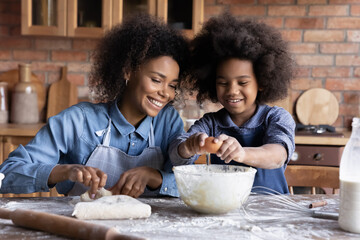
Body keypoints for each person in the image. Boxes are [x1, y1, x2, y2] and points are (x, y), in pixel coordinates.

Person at [0, 13, 190, 199]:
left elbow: (190, 184)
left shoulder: (168, 122)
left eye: (172, 85)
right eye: (157, 80)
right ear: (128, 71)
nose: (165, 92)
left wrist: (154, 176)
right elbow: (7, 174)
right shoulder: (78, 121)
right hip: (82, 227)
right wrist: (65, 171)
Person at [169, 12, 296, 194]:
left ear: (261, 82)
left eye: (242, 83)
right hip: (225, 210)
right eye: (223, 83)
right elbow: (176, 153)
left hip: (271, 210)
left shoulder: (276, 117)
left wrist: (242, 153)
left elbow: (277, 155)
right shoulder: (211, 123)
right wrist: (189, 146)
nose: (232, 90)